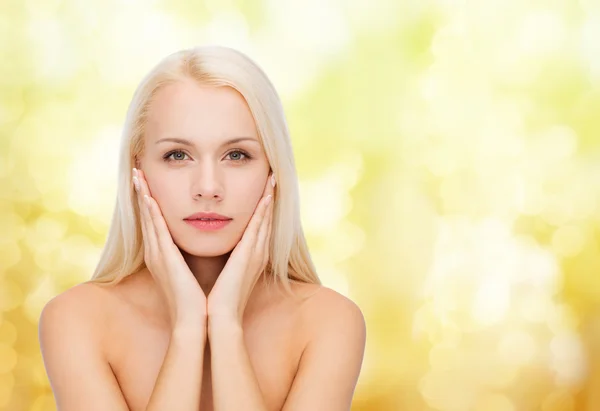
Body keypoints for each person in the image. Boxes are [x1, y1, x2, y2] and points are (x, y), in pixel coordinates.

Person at [38, 45, 367, 411]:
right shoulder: (76, 320)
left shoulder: (328, 322)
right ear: (137, 170)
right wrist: (188, 327)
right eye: (177, 155)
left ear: (273, 170)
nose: (208, 187)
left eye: (237, 155)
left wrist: (225, 325)